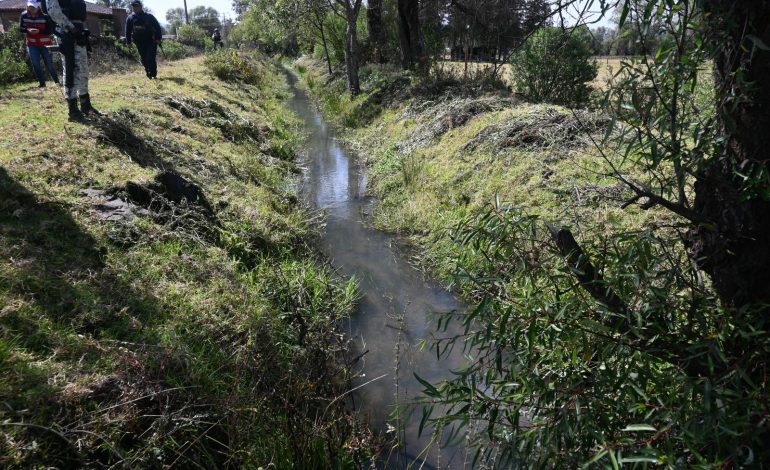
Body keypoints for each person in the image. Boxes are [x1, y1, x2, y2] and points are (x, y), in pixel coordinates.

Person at [45, 0, 98, 121]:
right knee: (71, 71)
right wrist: (71, 27)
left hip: (79, 33)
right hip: (66, 33)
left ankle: (86, 106)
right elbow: (54, 12)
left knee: (83, 70)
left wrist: (79, 30)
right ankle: (73, 111)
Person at [19, 0, 59, 88]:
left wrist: (39, 31)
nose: (31, 8)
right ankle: (42, 84)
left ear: (38, 7)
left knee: (49, 64)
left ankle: (57, 82)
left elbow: (51, 30)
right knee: (36, 64)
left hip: (45, 44)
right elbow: (21, 28)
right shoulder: (23, 15)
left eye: (33, 7)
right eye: (30, 6)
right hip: (31, 44)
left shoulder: (45, 16)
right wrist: (27, 30)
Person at [125, 0, 162, 80]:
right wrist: (128, 42)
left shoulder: (149, 16)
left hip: (151, 41)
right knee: (144, 59)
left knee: (150, 58)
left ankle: (153, 75)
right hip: (139, 42)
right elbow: (127, 31)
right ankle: (148, 73)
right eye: (133, 6)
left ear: (141, 7)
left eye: (137, 6)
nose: (135, 8)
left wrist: (158, 38)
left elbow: (157, 27)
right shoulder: (130, 18)